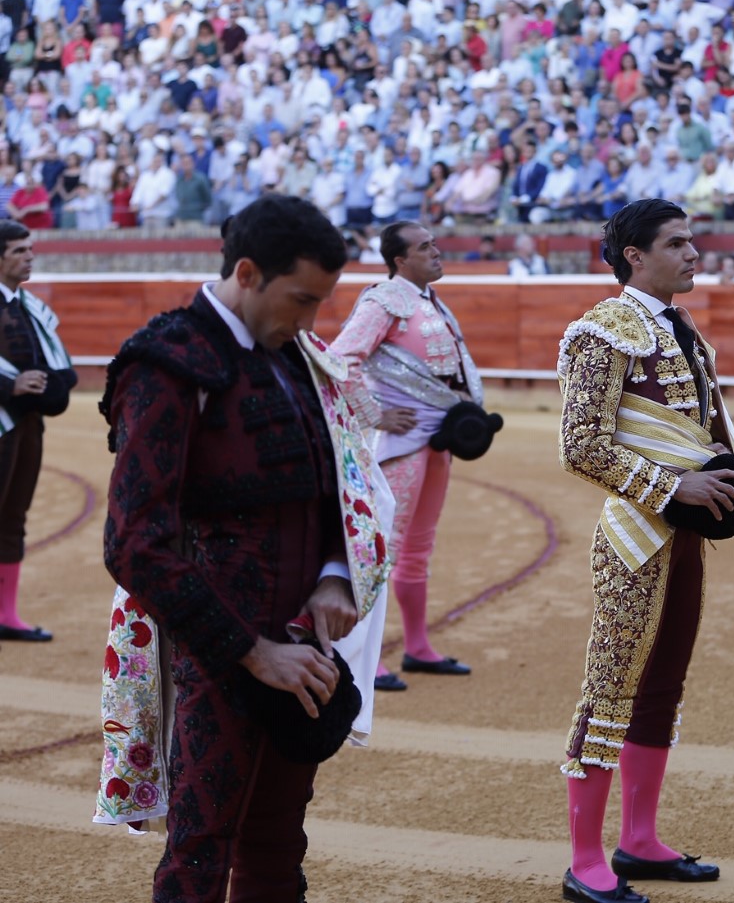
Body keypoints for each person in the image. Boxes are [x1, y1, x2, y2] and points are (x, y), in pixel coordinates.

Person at [99, 193, 391, 899]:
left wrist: (332, 577)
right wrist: (253, 651)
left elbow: (333, 485)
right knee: (200, 850)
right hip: (215, 655)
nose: (311, 321)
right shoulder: (167, 363)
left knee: (277, 841)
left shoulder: (295, 356)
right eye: (301, 299)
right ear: (250, 272)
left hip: (300, 647)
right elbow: (135, 540)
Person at [557, 199, 734, 903]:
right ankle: (585, 860)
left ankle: (637, 838)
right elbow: (580, 446)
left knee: (662, 683)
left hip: (683, 535)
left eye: (692, 240)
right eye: (678, 243)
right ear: (635, 255)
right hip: (637, 536)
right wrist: (675, 486)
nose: (694, 252)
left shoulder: (683, 330)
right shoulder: (605, 330)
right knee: (611, 685)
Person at [331, 221, 486, 690]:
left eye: (435, 243)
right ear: (400, 261)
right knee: (384, 548)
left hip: (437, 438)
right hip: (398, 445)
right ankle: (365, 657)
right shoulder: (384, 301)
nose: (437, 251)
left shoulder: (427, 300)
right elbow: (342, 357)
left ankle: (417, 648)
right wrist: (375, 414)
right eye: (425, 247)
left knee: (418, 546)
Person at [0, 221, 76, 642]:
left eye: (31, 248)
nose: (30, 256)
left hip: (26, 425)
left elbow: (57, 367)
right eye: (20, 251)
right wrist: (9, 385)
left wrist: (50, 387)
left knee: (13, 517)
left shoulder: (31, 308)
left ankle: (6, 615)